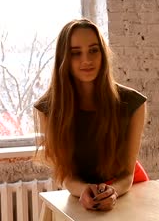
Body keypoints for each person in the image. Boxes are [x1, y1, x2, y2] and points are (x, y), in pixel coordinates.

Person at [33, 18, 148, 211]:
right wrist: (85, 190)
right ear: (64, 59)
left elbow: (128, 174)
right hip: (81, 195)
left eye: (94, 50)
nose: (86, 60)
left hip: (128, 191)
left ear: (103, 54)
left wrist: (112, 191)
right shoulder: (47, 109)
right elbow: (66, 176)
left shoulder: (133, 104)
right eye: (76, 53)